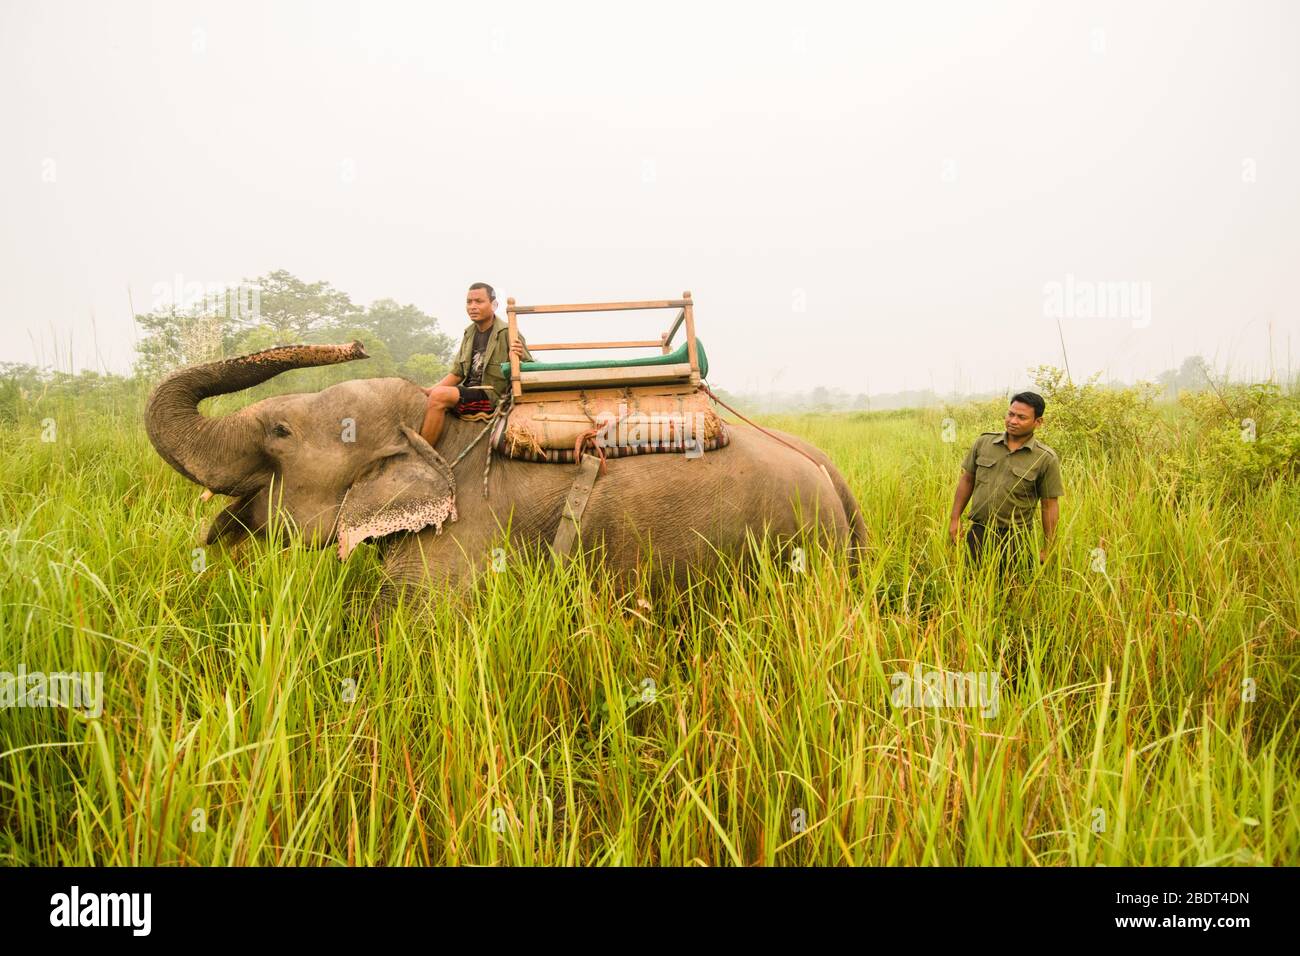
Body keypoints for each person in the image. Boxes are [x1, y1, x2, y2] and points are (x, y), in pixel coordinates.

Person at [948, 391, 1063, 569]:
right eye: (1011, 414)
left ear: (1038, 422)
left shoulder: (1045, 458)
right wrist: (955, 519)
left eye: (1022, 417)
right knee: (970, 587)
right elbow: (967, 481)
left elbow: (1049, 505)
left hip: (1016, 539)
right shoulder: (984, 443)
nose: (1013, 421)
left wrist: (1049, 546)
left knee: (1013, 591)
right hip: (978, 532)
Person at [419, 282, 531, 447]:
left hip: (490, 396)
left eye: (479, 301)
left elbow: (529, 367)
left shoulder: (508, 332)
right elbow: (457, 373)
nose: (472, 306)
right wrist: (428, 390)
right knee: (420, 396)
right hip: (468, 391)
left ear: (494, 305)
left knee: (439, 397)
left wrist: (520, 357)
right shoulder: (469, 333)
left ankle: (423, 454)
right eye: (469, 302)